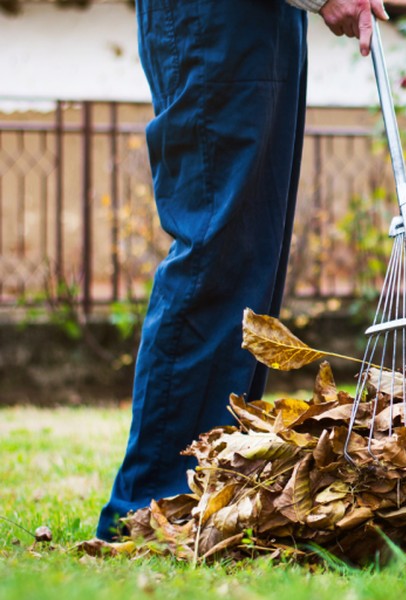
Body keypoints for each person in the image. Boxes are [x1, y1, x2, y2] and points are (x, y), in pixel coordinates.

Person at [96, 0, 387, 540]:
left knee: (253, 251)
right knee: (217, 244)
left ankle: (214, 486)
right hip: (213, 17)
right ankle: (152, 503)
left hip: (264, 17)